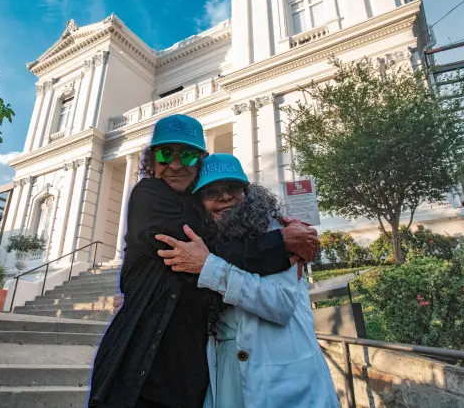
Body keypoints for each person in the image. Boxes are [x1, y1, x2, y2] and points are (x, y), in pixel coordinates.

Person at [89, 114, 319, 408]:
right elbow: (201, 251)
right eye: (164, 154)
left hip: (203, 375)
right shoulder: (149, 194)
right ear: (151, 159)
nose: (175, 164)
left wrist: (278, 233)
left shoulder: (241, 225)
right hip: (144, 363)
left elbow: (272, 298)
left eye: (186, 155)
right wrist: (279, 244)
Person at [155, 153, 338, 408]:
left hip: (284, 375)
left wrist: (210, 268)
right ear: (198, 203)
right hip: (225, 372)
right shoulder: (203, 243)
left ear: (247, 193)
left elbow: (279, 303)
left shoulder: (277, 233)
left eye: (232, 188)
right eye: (211, 191)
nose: (225, 197)